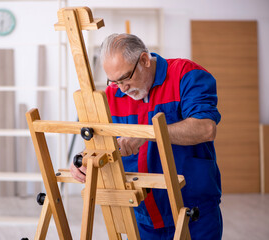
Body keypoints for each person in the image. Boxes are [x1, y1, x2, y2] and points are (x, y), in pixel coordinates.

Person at [70, 33, 223, 239]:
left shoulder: (186, 75)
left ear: (144, 60)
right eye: (114, 81)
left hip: (193, 212)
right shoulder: (111, 95)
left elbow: (205, 128)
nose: (122, 89)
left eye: (125, 78)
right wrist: (84, 159)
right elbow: (102, 143)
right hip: (142, 215)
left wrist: (147, 134)